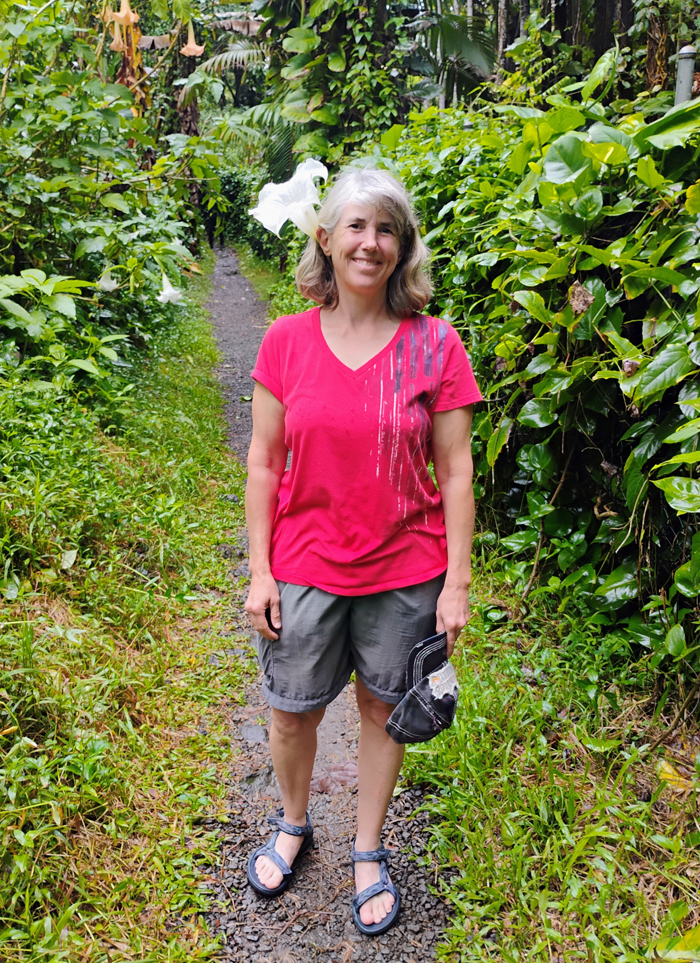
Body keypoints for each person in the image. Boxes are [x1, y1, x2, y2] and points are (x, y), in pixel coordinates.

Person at [244, 167, 482, 936]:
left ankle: (368, 846)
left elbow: (456, 469)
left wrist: (456, 582)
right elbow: (263, 462)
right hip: (304, 564)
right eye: (356, 225)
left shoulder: (436, 344)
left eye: (386, 229)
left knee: (382, 709)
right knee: (290, 713)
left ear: (402, 247)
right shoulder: (285, 341)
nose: (370, 243)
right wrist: (260, 571)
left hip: (405, 571)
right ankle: (292, 820)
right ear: (326, 238)